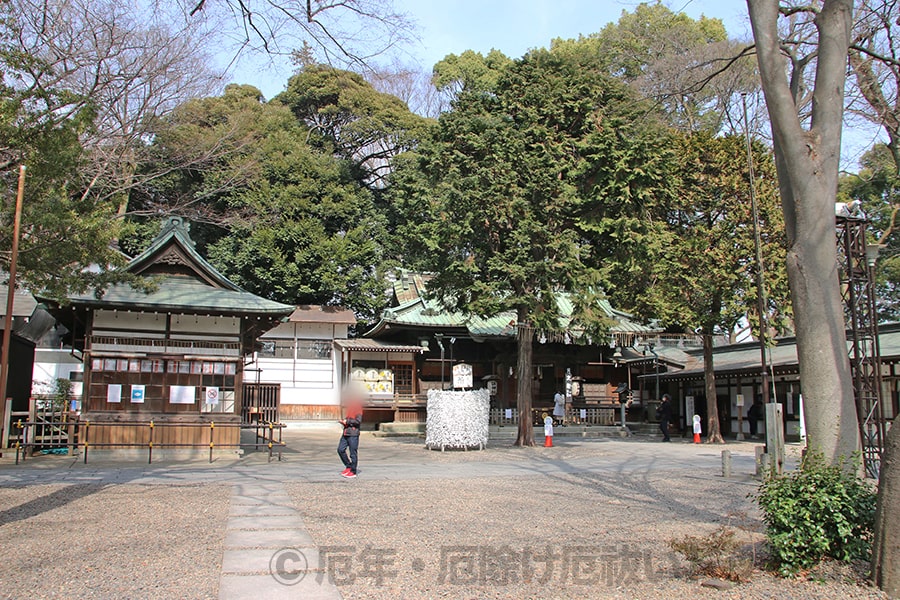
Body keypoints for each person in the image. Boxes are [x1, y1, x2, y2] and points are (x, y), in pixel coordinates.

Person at [338, 391, 364, 478]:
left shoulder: (358, 408)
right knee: (340, 449)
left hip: (353, 433)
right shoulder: (350, 408)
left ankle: (353, 470)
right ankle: (348, 465)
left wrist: (347, 421)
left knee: (353, 453)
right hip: (346, 432)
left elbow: (358, 421)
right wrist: (344, 421)